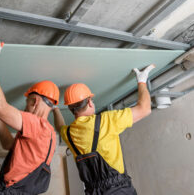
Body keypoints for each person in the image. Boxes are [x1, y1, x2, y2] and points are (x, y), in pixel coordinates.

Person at [53, 64, 155, 195]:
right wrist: (142, 81)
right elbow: (145, 108)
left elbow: (59, 127)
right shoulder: (105, 121)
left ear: (71, 109)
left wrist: (55, 108)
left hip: (92, 191)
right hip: (118, 190)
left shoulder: (69, 133)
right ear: (90, 102)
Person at [0, 38, 59, 194]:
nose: (25, 107)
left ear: (35, 101)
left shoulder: (38, 125)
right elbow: (7, 144)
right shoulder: (48, 134)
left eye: (27, 102)